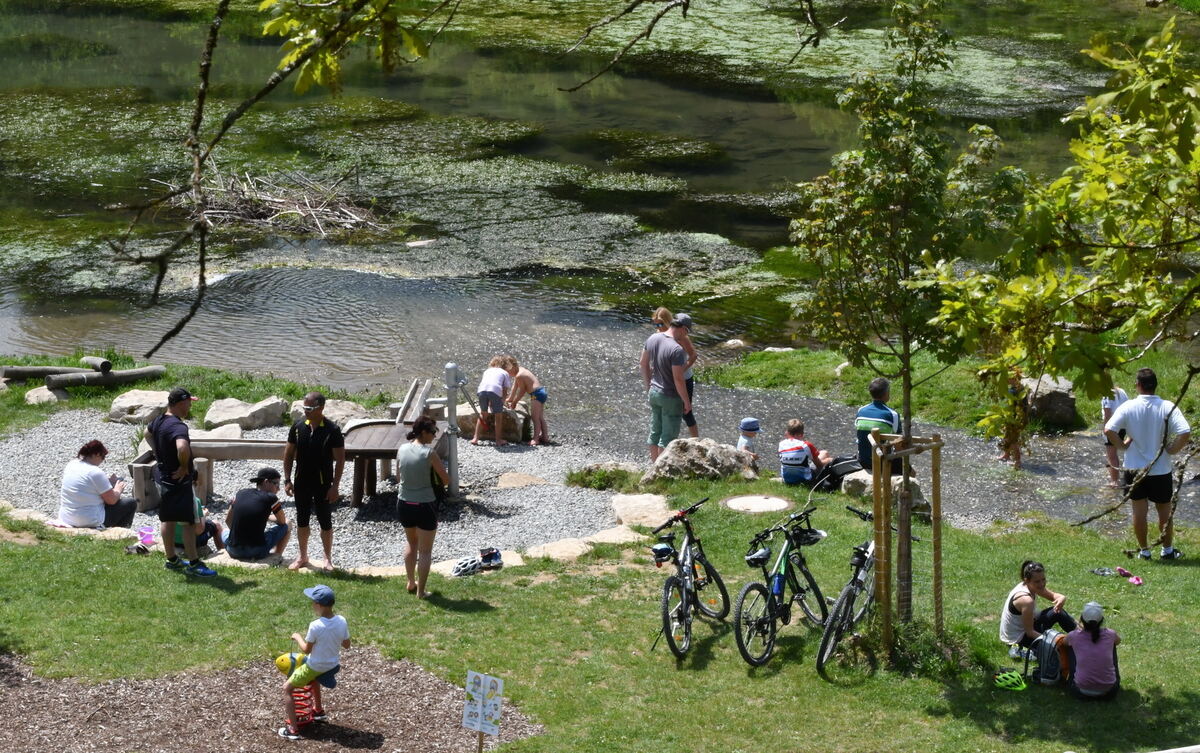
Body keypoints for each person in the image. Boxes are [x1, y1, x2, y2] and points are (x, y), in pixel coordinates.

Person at [1104, 368, 1191, 561]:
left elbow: (1109, 429)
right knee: (1164, 512)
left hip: (1134, 468)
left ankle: (1144, 551)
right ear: (1155, 385)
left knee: (1139, 511)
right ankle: (1167, 551)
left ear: (1138, 385)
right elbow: (1185, 431)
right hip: (1160, 469)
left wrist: (1122, 446)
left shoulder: (1128, 407)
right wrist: (1172, 449)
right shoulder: (1167, 406)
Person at [146, 387, 216, 577]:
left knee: (167, 519)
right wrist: (184, 467)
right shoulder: (178, 426)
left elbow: (147, 433)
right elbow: (182, 447)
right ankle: (194, 563)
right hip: (179, 482)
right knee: (187, 523)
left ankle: (172, 560)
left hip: (164, 477)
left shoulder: (159, 420)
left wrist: (157, 453)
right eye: (189, 403)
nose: (190, 406)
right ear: (180, 403)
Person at [279, 584, 350, 741]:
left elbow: (306, 650)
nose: (312, 605)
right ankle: (318, 711)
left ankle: (293, 729)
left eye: (312, 602)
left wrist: (297, 636)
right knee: (314, 677)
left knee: (287, 689)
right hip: (332, 664)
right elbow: (346, 645)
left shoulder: (315, 626)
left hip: (316, 665)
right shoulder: (342, 621)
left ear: (318, 605)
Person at [284, 391, 346, 572]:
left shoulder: (332, 430)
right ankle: (302, 556)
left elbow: (340, 460)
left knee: (325, 521)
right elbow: (288, 454)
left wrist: (335, 486)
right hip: (301, 481)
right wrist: (287, 480)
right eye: (304, 407)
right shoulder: (297, 427)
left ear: (321, 408)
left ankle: (328, 559)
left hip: (323, 483)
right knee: (302, 520)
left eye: (310, 408)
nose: (306, 411)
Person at [396, 416, 450, 598]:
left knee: (411, 543)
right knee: (425, 551)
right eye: (433, 432)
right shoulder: (429, 453)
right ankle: (421, 592)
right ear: (424, 432)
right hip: (425, 504)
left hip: (404, 503)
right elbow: (446, 479)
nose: (435, 436)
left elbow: (398, 477)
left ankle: (411, 582)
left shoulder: (402, 449)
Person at [640, 316, 692, 461]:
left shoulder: (653, 338)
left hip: (654, 393)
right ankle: (661, 471)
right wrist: (686, 402)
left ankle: (653, 466)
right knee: (667, 437)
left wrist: (648, 386)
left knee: (655, 432)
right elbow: (678, 379)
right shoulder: (677, 350)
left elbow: (643, 364)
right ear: (682, 328)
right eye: (687, 332)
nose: (686, 336)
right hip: (670, 396)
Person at [999, 560, 1076, 652]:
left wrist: (1062, 598)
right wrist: (1054, 640)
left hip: (1026, 631)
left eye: (1043, 579)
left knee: (1057, 611)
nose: (1042, 584)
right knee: (1061, 648)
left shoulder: (1030, 586)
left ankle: (1083, 635)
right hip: (1019, 640)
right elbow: (1030, 633)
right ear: (1026, 580)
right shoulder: (1026, 600)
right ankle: (1084, 638)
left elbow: (1053, 596)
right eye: (1037, 581)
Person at [58, 439, 137, 529]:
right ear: (97, 455)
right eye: (103, 457)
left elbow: (86, 487)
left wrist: (108, 483)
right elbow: (112, 501)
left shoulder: (71, 464)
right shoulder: (95, 472)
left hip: (67, 517)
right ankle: (121, 534)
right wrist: (118, 490)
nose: (102, 461)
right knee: (130, 503)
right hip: (88, 521)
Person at [225, 467, 290, 561]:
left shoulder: (240, 493)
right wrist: (267, 517)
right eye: (276, 484)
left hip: (233, 549)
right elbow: (282, 521)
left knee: (223, 531)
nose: (278, 488)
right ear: (266, 482)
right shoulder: (271, 498)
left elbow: (227, 520)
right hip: (256, 551)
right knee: (288, 524)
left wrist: (241, 534)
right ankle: (276, 556)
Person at [654, 308, 700, 439]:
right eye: (655, 324)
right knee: (667, 409)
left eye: (660, 324)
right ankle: (668, 438)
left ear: (668, 322)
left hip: (684, 378)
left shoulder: (682, 338)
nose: (658, 327)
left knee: (687, 412)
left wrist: (681, 370)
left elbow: (693, 355)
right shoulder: (658, 336)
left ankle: (696, 440)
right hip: (667, 379)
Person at [1065, 601, 1121, 700]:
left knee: (1070, 645)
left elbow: (1064, 642)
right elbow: (1118, 641)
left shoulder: (1073, 636)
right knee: (1112, 644)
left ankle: (1072, 676)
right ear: (1101, 620)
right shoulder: (1110, 634)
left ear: (1082, 619)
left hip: (1080, 691)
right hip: (1110, 692)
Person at [855, 377, 901, 474]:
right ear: (886, 393)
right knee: (911, 472)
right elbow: (898, 446)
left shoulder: (861, 411)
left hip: (863, 461)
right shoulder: (892, 415)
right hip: (883, 461)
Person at [472, 355, 515, 447]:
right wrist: (503, 400)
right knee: (498, 417)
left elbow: (487, 386)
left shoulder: (487, 371)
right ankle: (498, 440)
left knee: (483, 414)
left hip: (481, 390)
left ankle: (475, 438)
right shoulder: (504, 373)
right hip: (494, 391)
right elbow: (504, 390)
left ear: (493, 363)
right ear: (505, 366)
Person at [777, 419, 832, 486]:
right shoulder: (806, 445)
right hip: (804, 480)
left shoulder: (781, 444)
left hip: (786, 480)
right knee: (828, 457)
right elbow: (819, 465)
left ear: (787, 432)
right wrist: (828, 461)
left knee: (824, 453)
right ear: (801, 434)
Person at [507, 363, 549, 446]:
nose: (508, 374)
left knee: (535, 418)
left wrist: (515, 402)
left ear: (513, 368)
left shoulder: (519, 375)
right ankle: (545, 437)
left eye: (508, 372)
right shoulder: (520, 370)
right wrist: (510, 399)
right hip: (541, 391)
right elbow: (514, 387)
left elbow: (522, 391)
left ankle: (535, 439)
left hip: (536, 394)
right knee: (540, 417)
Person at [1101, 385, 1129, 488]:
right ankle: (1114, 475)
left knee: (1112, 455)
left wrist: (1105, 428)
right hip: (1123, 425)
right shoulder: (1122, 391)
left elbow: (1107, 414)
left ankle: (1114, 481)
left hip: (1112, 426)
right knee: (1114, 452)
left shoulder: (1106, 395)